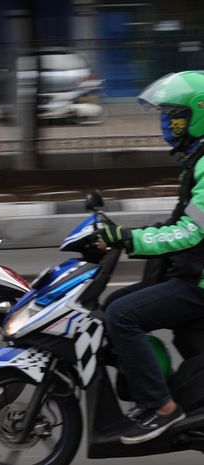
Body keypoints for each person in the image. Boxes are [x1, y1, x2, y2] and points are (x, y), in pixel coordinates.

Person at [97, 70, 204, 445]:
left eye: (171, 114)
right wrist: (123, 235)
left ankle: (161, 409)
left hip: (200, 283)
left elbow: (192, 232)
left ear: (198, 113)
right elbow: (180, 220)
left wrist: (131, 240)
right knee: (112, 304)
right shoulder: (196, 160)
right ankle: (154, 390)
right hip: (192, 275)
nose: (164, 122)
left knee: (121, 315)